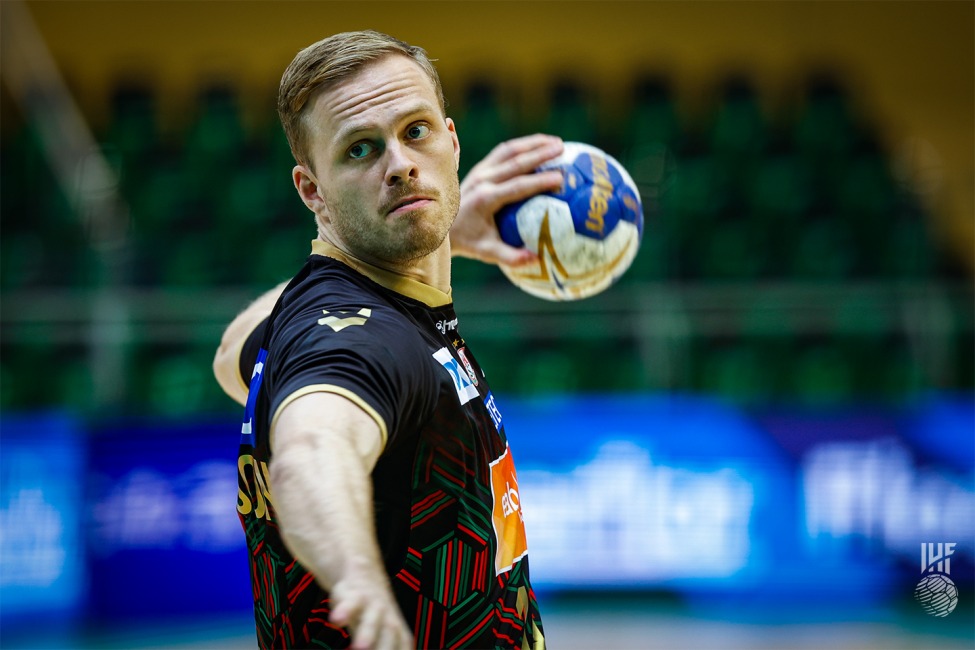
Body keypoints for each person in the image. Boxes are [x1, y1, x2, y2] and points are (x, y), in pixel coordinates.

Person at [212, 30, 563, 650]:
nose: (400, 163)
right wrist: (354, 577)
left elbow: (231, 356)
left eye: (416, 130)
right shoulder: (374, 343)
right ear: (312, 191)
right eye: (360, 149)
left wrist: (450, 233)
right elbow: (313, 449)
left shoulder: (323, 311)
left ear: (453, 140)